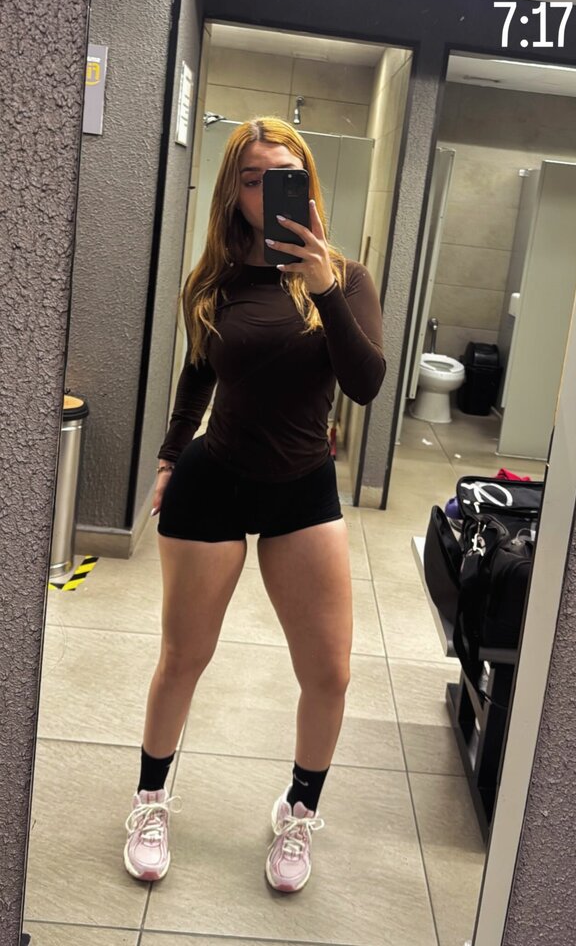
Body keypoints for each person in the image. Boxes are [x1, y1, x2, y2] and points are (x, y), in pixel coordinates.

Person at [123, 117, 386, 892]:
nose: (267, 191)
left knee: (330, 672)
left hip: (302, 487)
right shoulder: (213, 281)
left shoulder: (346, 277)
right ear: (233, 193)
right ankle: (149, 800)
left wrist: (324, 289)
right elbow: (198, 374)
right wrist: (169, 457)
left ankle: (298, 812)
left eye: (284, 175)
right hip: (214, 480)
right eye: (251, 178)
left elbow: (366, 383)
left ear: (306, 182)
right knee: (183, 658)